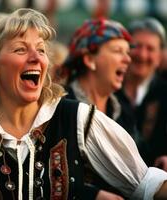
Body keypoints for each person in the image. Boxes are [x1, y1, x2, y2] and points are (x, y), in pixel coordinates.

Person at [0, 8, 167, 200]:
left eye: (41, 49)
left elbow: (145, 183)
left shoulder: (77, 119)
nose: (36, 57)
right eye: (21, 49)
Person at [64, 18, 143, 199]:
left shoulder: (124, 110)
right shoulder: (61, 106)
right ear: (89, 59)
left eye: (128, 52)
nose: (128, 59)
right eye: (118, 51)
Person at [116, 18, 167, 169]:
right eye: (136, 46)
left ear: (159, 57)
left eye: (150, 49)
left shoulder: (164, 92)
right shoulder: (109, 89)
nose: (142, 55)